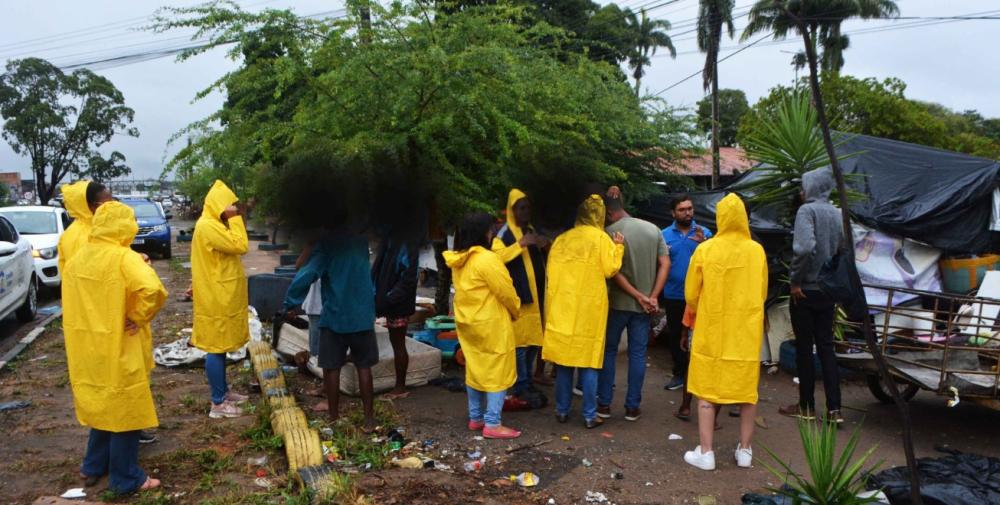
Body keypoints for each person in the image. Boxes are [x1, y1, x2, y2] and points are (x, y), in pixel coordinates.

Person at [63, 201, 168, 493]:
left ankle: (93, 466)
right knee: (125, 408)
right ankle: (126, 477)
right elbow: (153, 290)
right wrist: (137, 316)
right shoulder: (124, 257)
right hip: (120, 344)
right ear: (124, 226)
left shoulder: (78, 258)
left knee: (103, 405)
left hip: (87, 346)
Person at [682, 193, 767, 471]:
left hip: (713, 328)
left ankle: (706, 453)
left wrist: (705, 308)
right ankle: (745, 451)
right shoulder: (756, 251)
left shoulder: (706, 250)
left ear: (720, 218)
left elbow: (690, 294)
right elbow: (762, 291)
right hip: (745, 331)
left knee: (707, 389)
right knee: (746, 391)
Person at [543, 195, 625, 429]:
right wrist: (619, 247)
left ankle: (562, 410)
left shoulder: (561, 239)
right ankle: (589, 415)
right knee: (589, 363)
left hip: (563, 309)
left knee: (564, 363)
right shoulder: (601, 239)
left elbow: (550, 273)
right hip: (590, 311)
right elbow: (610, 269)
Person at [285, 231, 379, 430]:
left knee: (331, 368)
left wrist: (290, 302)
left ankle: (334, 419)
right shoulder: (361, 240)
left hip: (335, 316)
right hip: (362, 316)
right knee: (364, 367)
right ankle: (369, 420)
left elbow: (307, 273)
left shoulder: (327, 244)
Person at [444, 212, 522, 439]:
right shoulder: (487, 259)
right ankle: (492, 423)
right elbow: (506, 292)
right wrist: (516, 310)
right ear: (483, 233)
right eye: (490, 230)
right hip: (491, 323)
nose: (492, 234)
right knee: (498, 371)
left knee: (475, 368)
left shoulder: (459, 259)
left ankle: (476, 417)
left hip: (469, 322)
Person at [779, 168, 846, 424]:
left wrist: (796, 280)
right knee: (827, 348)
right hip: (827, 290)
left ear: (811, 187)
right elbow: (842, 248)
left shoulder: (806, 211)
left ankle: (806, 406)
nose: (801, 191)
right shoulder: (836, 213)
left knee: (805, 348)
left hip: (806, 289)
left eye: (804, 185)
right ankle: (834, 410)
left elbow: (805, 248)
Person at [597, 193, 669, 422]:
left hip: (617, 304)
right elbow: (665, 263)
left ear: (609, 213)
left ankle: (604, 404)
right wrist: (652, 297)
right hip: (644, 309)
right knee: (637, 354)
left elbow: (613, 271)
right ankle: (632, 407)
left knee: (609, 352)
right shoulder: (653, 229)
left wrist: (638, 296)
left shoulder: (608, 233)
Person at [191, 180, 250, 419]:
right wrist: (235, 219)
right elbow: (241, 245)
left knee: (221, 345)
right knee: (216, 348)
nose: (233, 209)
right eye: (230, 205)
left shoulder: (212, 224)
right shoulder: (208, 226)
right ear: (219, 205)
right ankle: (217, 403)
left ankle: (223, 392)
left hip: (218, 293)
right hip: (216, 297)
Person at [491, 189, 550, 408]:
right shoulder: (503, 234)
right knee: (520, 345)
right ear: (512, 210)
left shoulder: (531, 230)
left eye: (528, 208)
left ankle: (527, 382)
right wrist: (521, 244)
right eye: (521, 208)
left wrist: (544, 246)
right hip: (519, 298)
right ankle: (520, 385)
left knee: (533, 341)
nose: (526, 212)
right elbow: (496, 259)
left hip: (536, 297)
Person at [659, 195, 713, 421]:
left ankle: (702, 379)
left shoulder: (705, 234)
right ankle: (680, 374)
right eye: (682, 209)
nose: (687, 213)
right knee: (675, 336)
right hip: (674, 294)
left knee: (699, 339)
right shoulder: (664, 235)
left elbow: (715, 262)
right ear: (673, 213)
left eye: (690, 208)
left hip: (700, 297)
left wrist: (703, 243)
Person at [372, 233, 420, 400]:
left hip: (398, 303)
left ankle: (400, 387)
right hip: (386, 300)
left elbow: (409, 279)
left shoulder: (407, 243)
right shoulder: (389, 240)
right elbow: (377, 271)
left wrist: (388, 299)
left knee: (398, 343)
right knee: (396, 342)